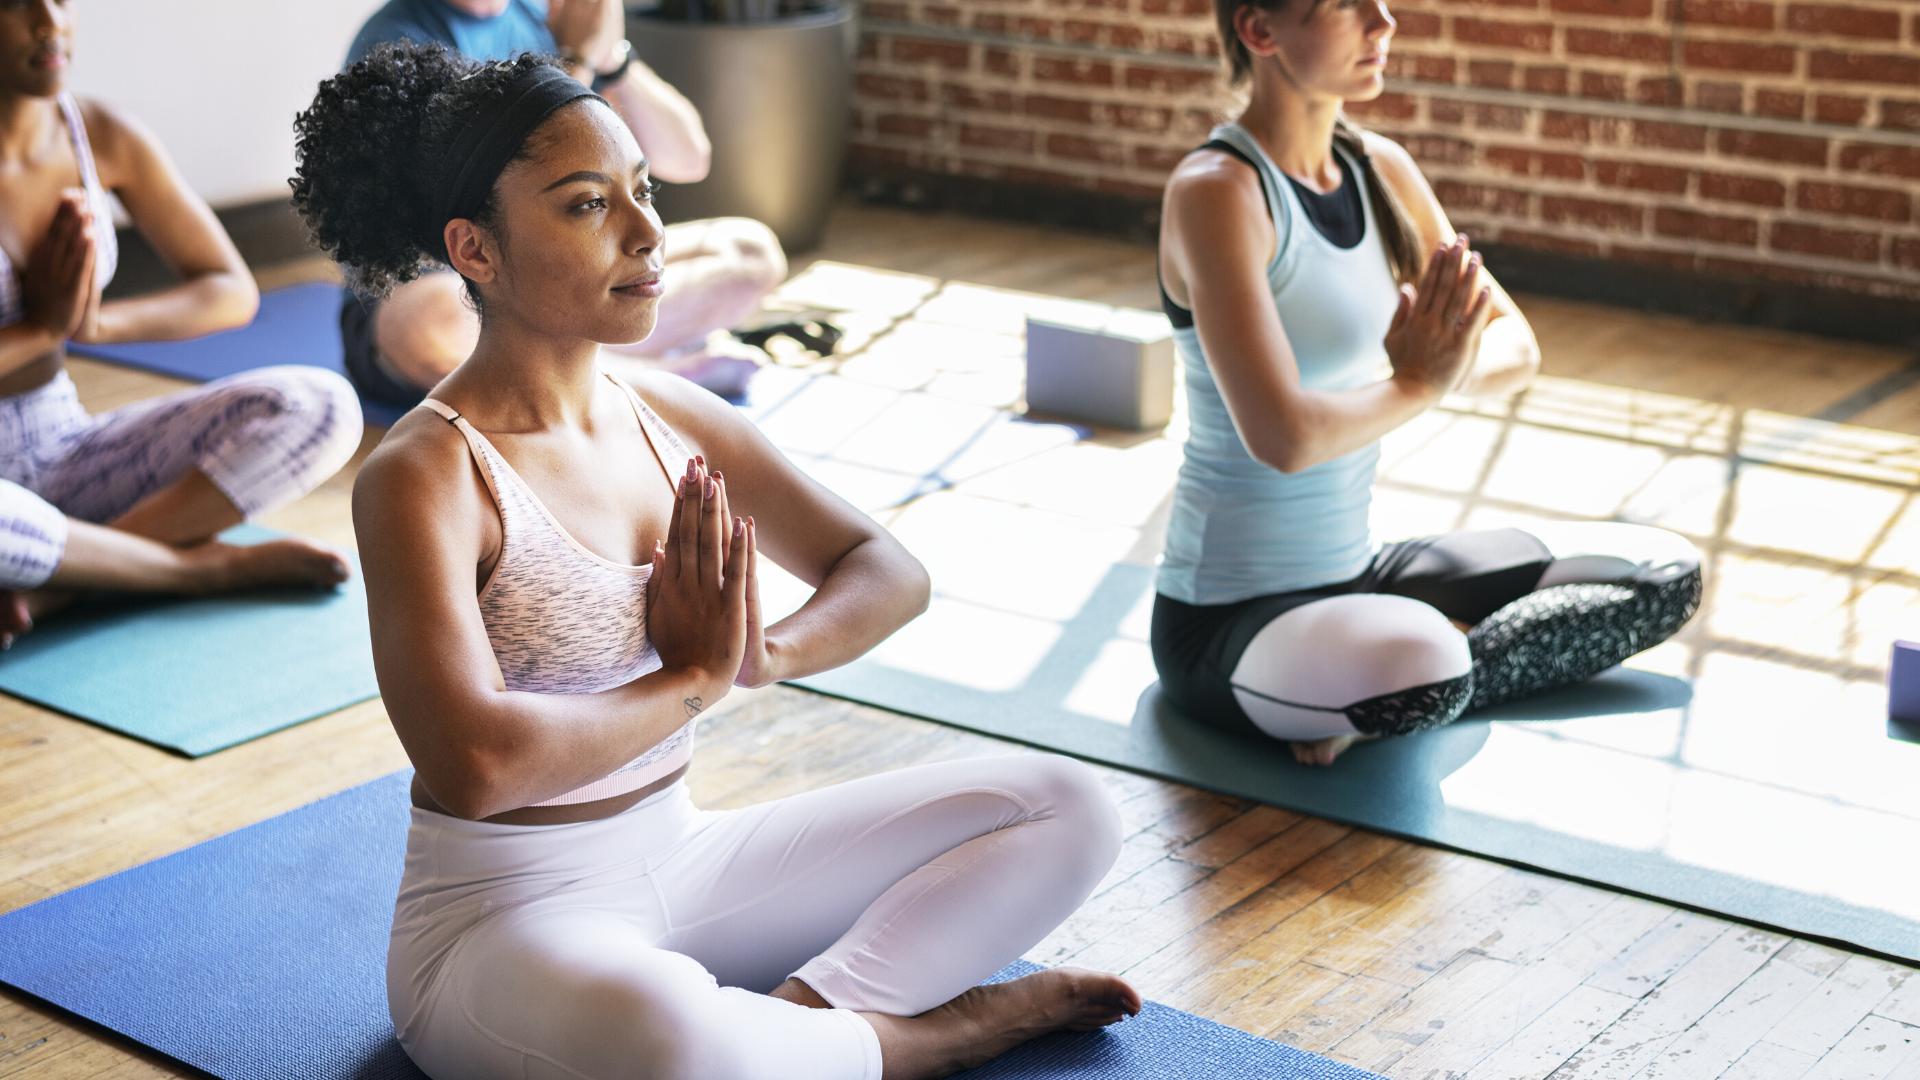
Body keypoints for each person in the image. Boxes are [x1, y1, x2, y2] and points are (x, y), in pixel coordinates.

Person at [293, 43, 1139, 1080]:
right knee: (672, 1042)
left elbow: (886, 569)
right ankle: (920, 1039)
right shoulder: (426, 471)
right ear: (476, 249)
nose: (649, 233)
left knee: (1071, 806)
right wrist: (689, 679)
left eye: (643, 192)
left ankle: (815, 1016)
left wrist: (759, 654)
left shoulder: (671, 417)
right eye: (588, 205)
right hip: (501, 924)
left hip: (685, 861)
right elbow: (475, 766)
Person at [1151, 0, 1703, 766]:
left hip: (1360, 575)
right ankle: (1410, 677)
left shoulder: (1381, 170)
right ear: (1260, 30)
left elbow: (1515, 345)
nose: (1383, 23)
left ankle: (1383, 696)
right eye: (1347, 7)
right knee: (1423, 660)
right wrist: (1419, 378)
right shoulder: (1218, 192)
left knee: (1660, 573)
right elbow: (1284, 437)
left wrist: (1434, 369)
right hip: (1226, 621)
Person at [0, 0, 361, 645]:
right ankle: (192, 570)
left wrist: (95, 327)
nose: (50, 21)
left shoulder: (100, 134)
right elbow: (48, 328)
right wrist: (42, 329)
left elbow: (228, 290)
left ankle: (69, 579)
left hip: (62, 450)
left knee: (323, 405)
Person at [339, 0, 787, 405]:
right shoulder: (397, 39)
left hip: (571, 267)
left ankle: (577, 367)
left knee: (750, 252)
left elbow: (688, 159)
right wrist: (578, 60)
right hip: (456, 281)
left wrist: (613, 60)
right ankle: (660, 379)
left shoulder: (548, 18)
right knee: (436, 329)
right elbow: (498, 187)